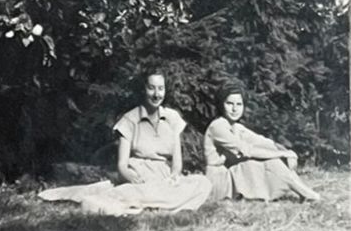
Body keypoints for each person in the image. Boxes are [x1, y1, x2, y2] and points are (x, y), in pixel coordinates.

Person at [38, 71, 213, 214]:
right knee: (121, 196)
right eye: (151, 88)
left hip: (165, 178)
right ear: (143, 89)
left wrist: (174, 176)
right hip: (140, 176)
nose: (156, 94)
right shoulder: (130, 120)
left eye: (161, 88)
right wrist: (132, 178)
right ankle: (156, 201)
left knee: (202, 183)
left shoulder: (173, 118)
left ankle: (152, 201)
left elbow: (177, 162)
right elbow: (122, 165)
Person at [203, 88, 322, 203]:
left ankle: (305, 193)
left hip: (228, 176)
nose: (235, 109)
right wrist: (281, 154)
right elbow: (247, 150)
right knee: (265, 161)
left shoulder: (236, 127)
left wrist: (287, 152)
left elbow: (261, 141)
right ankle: (306, 194)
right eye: (229, 103)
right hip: (218, 182)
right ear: (221, 104)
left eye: (239, 104)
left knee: (270, 158)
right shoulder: (217, 127)